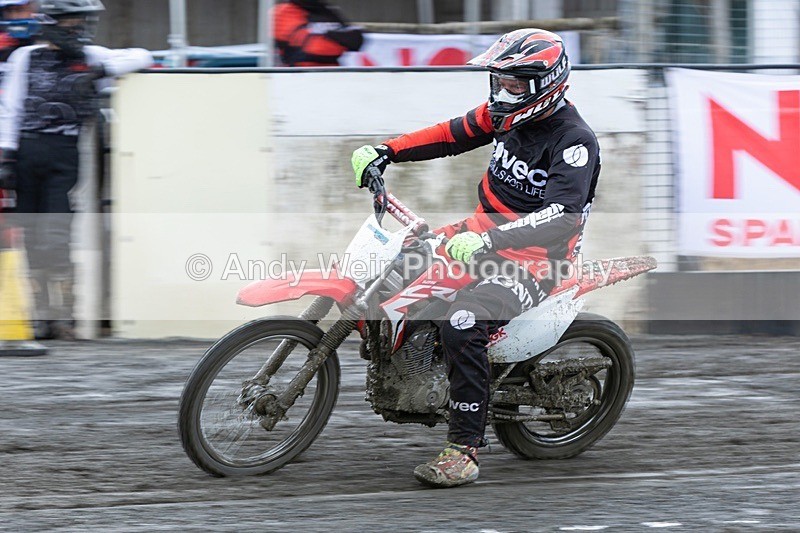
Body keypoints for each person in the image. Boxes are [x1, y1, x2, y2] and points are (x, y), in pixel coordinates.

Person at [351, 29, 600, 488]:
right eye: (500, 82)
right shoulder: (504, 117)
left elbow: (563, 217)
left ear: (547, 82)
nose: (504, 92)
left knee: (462, 319)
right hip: (479, 234)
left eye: (514, 84)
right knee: (394, 269)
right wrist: (388, 151)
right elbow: (450, 135)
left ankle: (463, 449)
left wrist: (491, 242)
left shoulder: (574, 142)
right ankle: (409, 368)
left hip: (534, 262)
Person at [0, 0, 152, 340]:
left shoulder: (92, 56)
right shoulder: (25, 57)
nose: (77, 28)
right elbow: (10, 109)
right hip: (25, 152)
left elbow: (142, 55)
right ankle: (40, 316)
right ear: (53, 23)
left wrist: (101, 72)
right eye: (70, 21)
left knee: (57, 233)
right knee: (31, 237)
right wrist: (6, 157)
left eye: (81, 21)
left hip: (65, 152)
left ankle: (64, 316)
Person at [272, 0, 363, 67]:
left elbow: (355, 41)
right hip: (295, 74)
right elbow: (309, 50)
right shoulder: (282, 11)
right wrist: (330, 35)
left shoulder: (324, 10)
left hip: (332, 74)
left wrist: (323, 34)